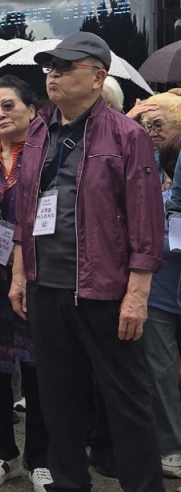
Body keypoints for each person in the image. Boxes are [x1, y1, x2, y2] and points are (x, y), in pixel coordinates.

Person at [12, 32, 165, 492]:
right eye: (49, 68)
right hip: (46, 286)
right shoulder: (39, 129)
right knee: (58, 400)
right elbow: (26, 206)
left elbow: (146, 219)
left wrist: (137, 295)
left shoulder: (126, 133)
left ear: (98, 77)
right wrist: (20, 272)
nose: (52, 75)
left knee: (127, 402)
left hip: (105, 290)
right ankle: (69, 484)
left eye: (65, 67)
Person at [0, 77, 51, 490]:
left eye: (7, 106)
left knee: (37, 368)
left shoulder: (48, 154)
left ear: (31, 109)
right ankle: (4, 453)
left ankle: (41, 456)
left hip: (37, 274)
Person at [147, 130, 181, 480]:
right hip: (158, 298)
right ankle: (170, 446)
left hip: (159, 297)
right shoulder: (160, 202)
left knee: (163, 375)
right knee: (161, 374)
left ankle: (172, 447)